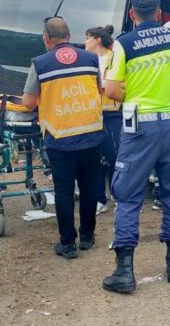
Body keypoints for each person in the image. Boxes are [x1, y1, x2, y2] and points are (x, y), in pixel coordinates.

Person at [102, 0, 170, 293]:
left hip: (140, 128)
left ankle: (124, 272)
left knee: (129, 196)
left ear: (132, 13)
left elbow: (111, 90)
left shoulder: (124, 43)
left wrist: (136, 91)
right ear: (159, 13)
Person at [22, 16, 106, 260]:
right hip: (91, 133)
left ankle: (68, 243)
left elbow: (28, 102)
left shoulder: (40, 63)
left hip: (60, 137)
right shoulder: (91, 58)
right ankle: (87, 236)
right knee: (90, 187)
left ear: (46, 38)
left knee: (64, 191)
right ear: (69, 35)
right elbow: (99, 89)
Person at [83, 24, 121, 215]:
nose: (84, 42)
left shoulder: (114, 57)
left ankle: (118, 194)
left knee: (115, 155)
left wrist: (106, 85)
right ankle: (99, 199)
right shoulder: (85, 60)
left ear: (97, 39)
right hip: (92, 114)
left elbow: (123, 82)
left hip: (112, 113)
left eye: (88, 38)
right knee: (95, 158)